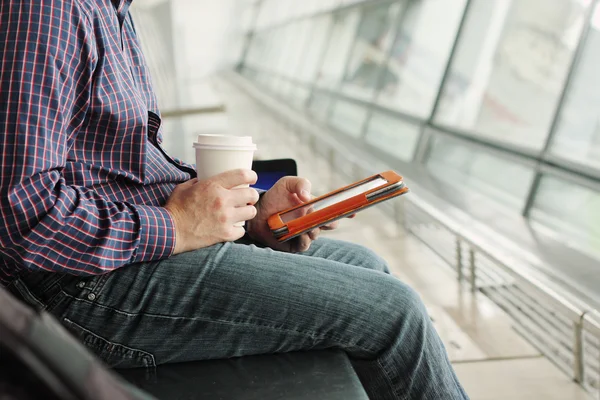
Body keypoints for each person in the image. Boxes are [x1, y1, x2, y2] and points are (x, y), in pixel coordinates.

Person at [0, 1, 469, 399]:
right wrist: (178, 226)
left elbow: (121, 172)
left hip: (122, 251)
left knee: (367, 265)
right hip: (79, 286)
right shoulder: (48, 10)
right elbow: (18, 209)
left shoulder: (110, 9)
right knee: (394, 313)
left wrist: (249, 211)